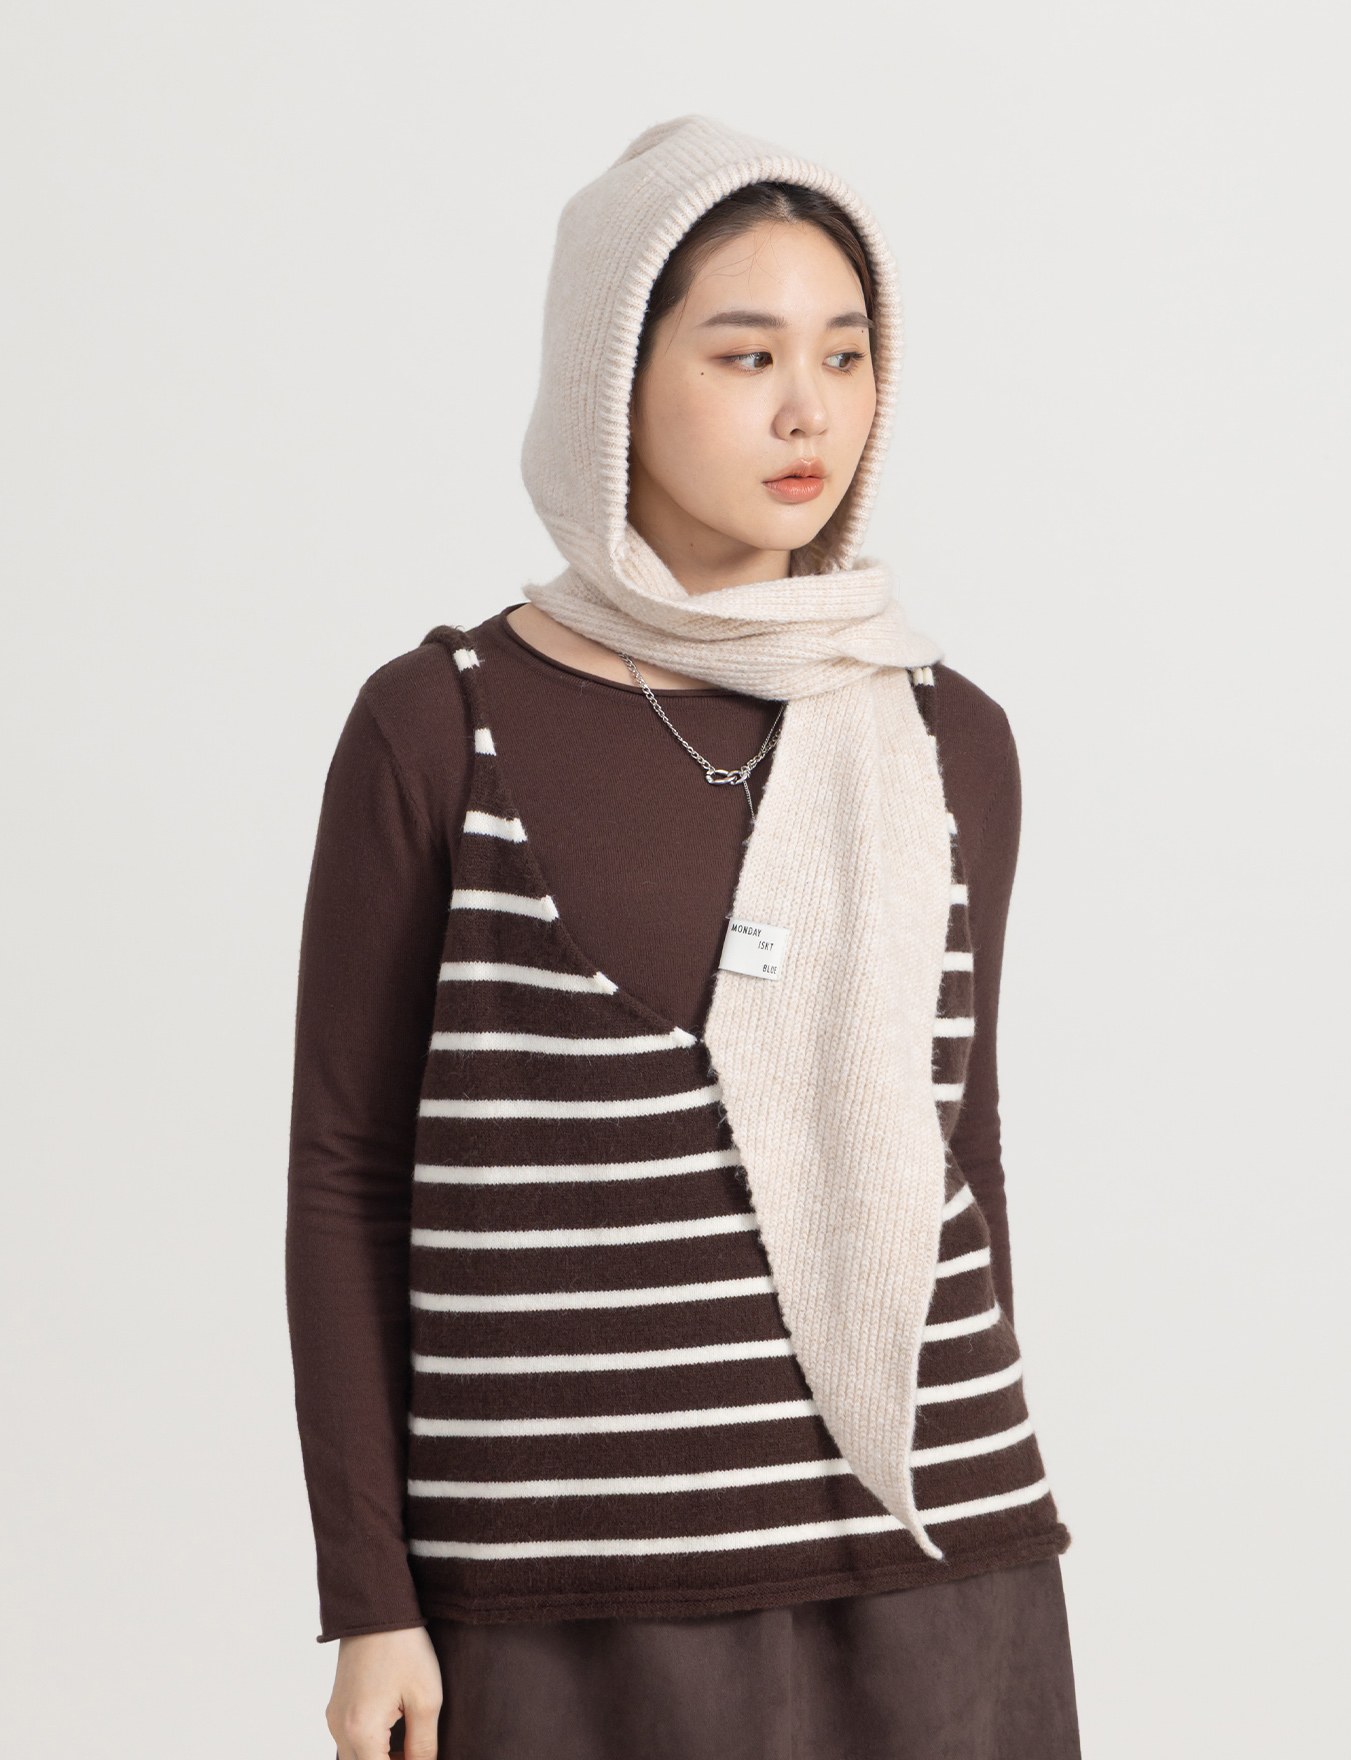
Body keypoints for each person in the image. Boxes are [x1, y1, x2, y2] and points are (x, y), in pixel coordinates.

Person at [286, 113, 1081, 1760]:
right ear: (612, 381)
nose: (810, 412)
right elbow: (348, 1178)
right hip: (562, 1593)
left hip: (926, 1570)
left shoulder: (950, 739)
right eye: (746, 355)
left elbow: (963, 1147)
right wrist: (371, 1596)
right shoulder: (440, 726)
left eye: (846, 355)